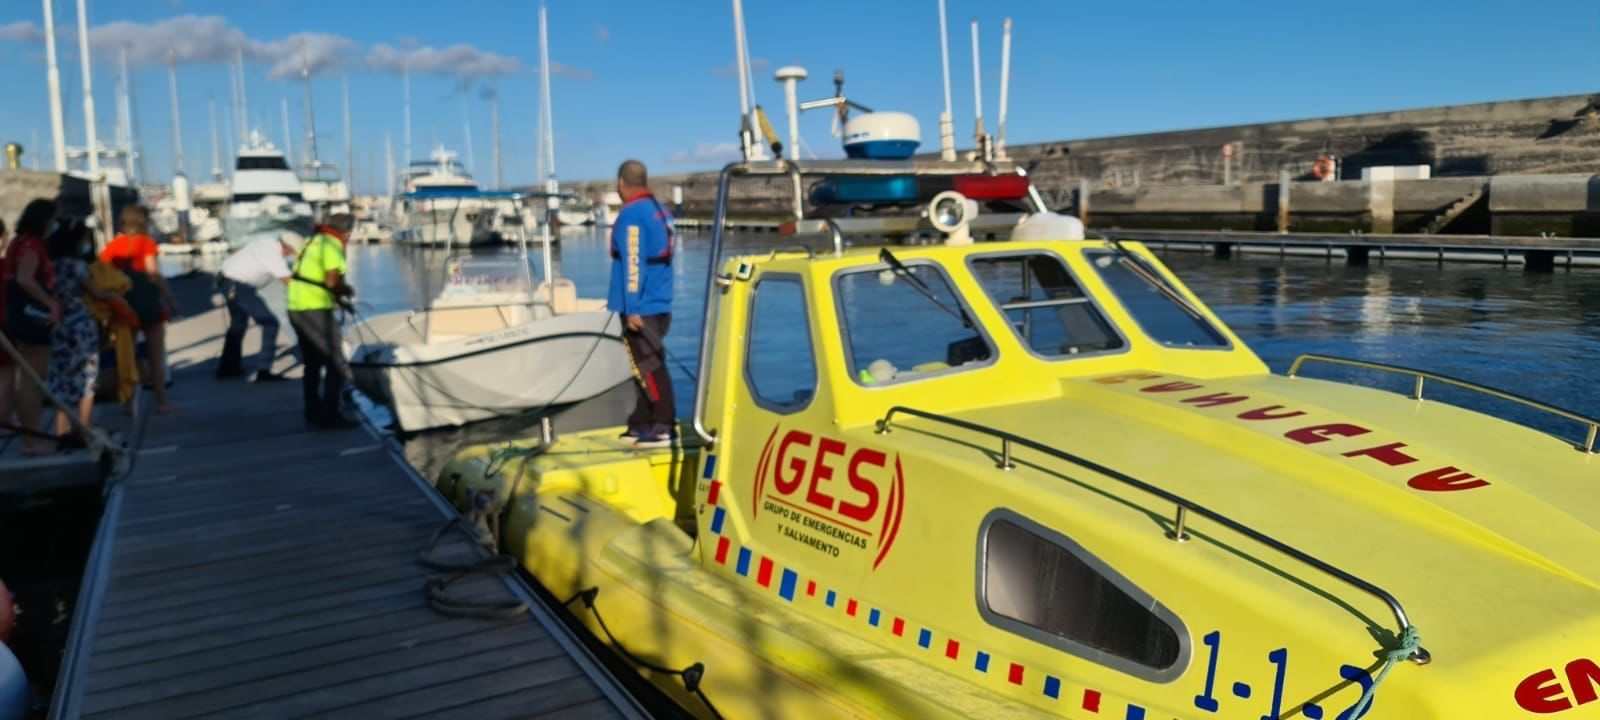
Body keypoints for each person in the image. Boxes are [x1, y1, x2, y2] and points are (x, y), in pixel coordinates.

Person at [607, 159, 676, 448]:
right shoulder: (660, 210)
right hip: (659, 301)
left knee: (650, 366)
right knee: (640, 366)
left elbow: (634, 263)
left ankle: (663, 425)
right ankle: (641, 421)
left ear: (621, 183)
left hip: (643, 307)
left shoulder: (633, 215)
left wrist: (632, 307)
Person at [102, 205, 181, 413]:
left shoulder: (112, 246)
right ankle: (161, 402)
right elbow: (153, 273)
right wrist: (170, 299)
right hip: (147, 303)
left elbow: (103, 274)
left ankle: (128, 402)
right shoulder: (146, 243)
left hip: (123, 305)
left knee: (127, 354)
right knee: (156, 355)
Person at [45, 219, 117, 439]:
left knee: (60, 376)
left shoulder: (48, 266)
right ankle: (84, 427)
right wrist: (117, 295)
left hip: (56, 325)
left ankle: (61, 428)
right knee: (87, 375)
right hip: (80, 324)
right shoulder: (77, 266)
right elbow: (97, 292)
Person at [1, 200, 61, 454]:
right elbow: (25, 279)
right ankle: (32, 440)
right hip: (33, 319)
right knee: (32, 380)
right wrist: (51, 303)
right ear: (44, 220)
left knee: (25, 378)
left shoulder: (17, 242)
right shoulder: (32, 245)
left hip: (17, 317)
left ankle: (31, 435)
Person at [288, 214, 355, 429]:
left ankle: (312, 411)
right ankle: (331, 416)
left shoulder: (312, 240)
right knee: (336, 362)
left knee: (312, 363)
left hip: (295, 307)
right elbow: (331, 280)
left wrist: (336, 299)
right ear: (348, 232)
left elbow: (310, 276)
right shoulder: (333, 244)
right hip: (315, 308)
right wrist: (346, 291)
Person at [217, 232, 297, 381]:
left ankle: (228, 368)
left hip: (228, 282)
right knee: (270, 323)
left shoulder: (266, 242)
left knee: (238, 325)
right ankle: (264, 371)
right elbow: (288, 282)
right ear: (286, 248)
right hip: (239, 286)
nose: (291, 255)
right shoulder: (274, 255)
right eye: (292, 252)